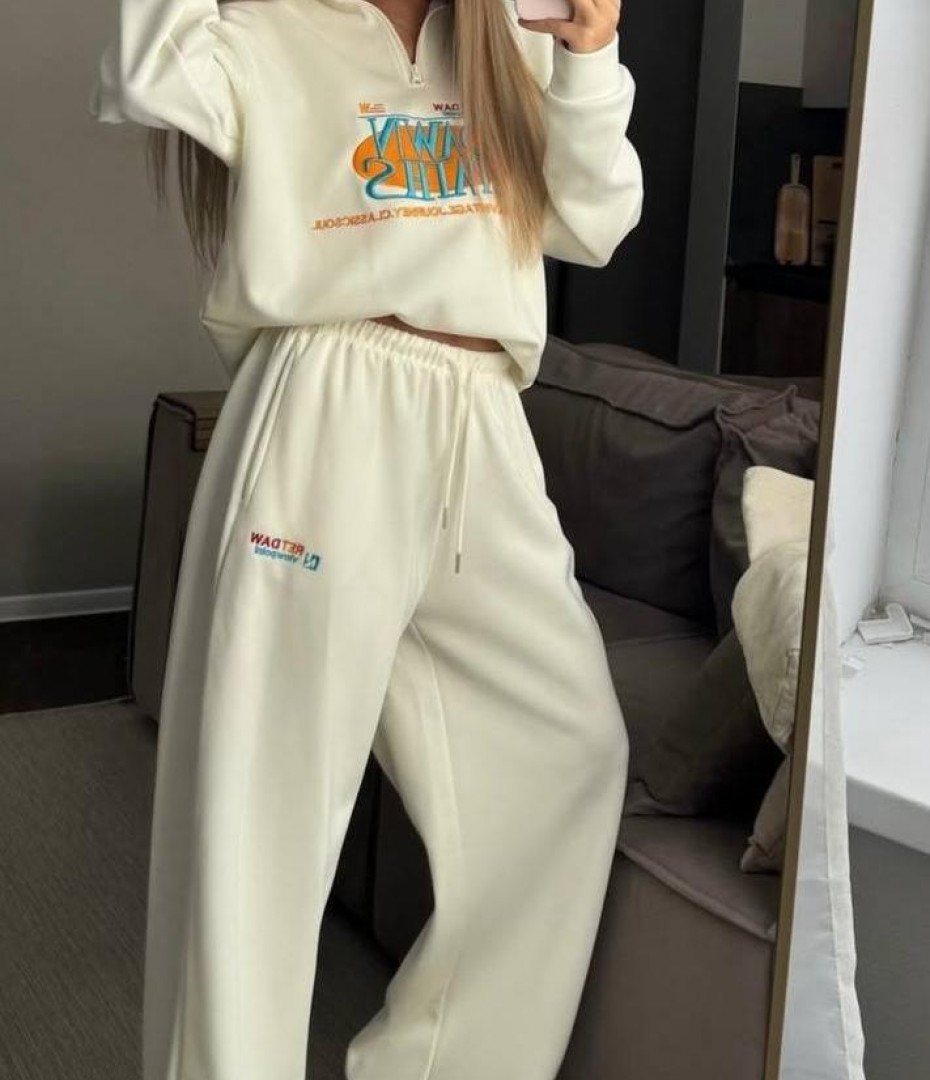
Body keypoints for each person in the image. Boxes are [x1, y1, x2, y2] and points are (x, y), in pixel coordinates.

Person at [88, 1, 644, 1078]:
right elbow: (149, 72)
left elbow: (594, 218)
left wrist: (589, 53)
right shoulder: (277, 28)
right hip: (324, 407)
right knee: (259, 820)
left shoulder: (508, 35)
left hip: (483, 419)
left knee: (569, 754)